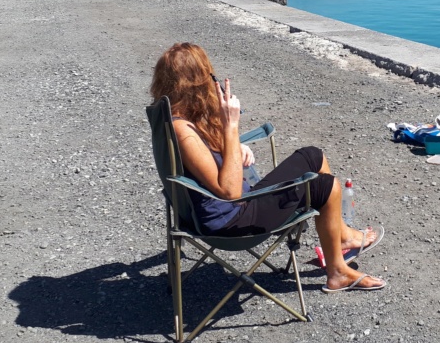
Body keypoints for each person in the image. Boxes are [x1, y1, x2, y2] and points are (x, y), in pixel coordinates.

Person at [150, 42, 386, 293]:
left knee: (312, 156)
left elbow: (208, 160)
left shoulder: (177, 119)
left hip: (235, 208)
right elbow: (230, 192)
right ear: (198, 82)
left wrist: (233, 146)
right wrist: (231, 126)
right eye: (209, 75)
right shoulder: (182, 130)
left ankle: (343, 236)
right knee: (325, 187)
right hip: (233, 221)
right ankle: (337, 272)